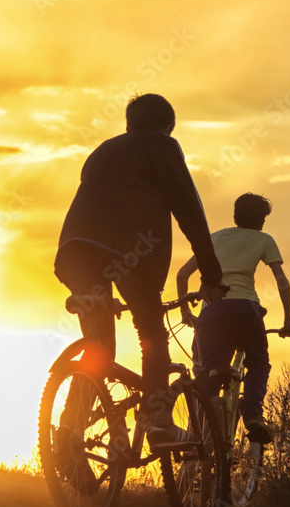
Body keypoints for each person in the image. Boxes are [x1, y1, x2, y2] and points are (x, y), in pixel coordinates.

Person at [54, 93, 226, 449]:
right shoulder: (162, 146)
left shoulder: (102, 150)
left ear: (129, 125)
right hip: (129, 253)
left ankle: (69, 439)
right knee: (152, 334)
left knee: (99, 347)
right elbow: (188, 209)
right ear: (166, 127)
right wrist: (210, 273)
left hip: (75, 252)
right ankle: (158, 421)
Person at [176, 193, 290, 440]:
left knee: (205, 374)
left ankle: (198, 437)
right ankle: (252, 413)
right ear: (262, 220)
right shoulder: (264, 239)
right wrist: (288, 321)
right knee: (258, 362)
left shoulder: (215, 238)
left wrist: (185, 312)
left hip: (212, 312)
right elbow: (282, 281)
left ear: (235, 215)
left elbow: (181, 275)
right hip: (246, 310)